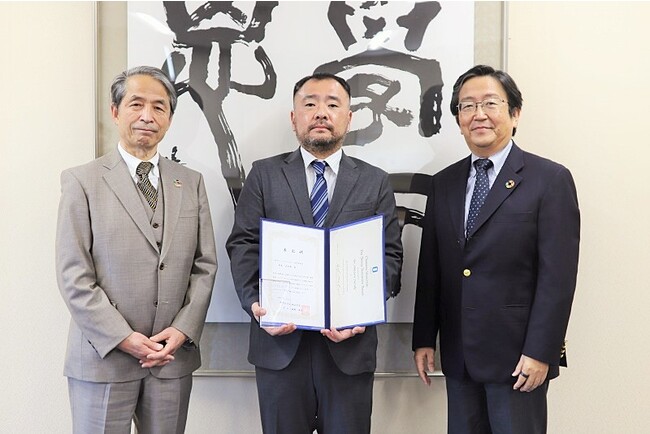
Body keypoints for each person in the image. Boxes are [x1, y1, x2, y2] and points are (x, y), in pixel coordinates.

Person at [226, 72, 403, 434]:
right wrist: (255, 303)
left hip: (349, 349)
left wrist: (362, 310)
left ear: (348, 118)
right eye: (310, 104)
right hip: (280, 347)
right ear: (294, 118)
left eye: (332, 104)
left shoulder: (375, 180)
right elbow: (243, 244)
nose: (321, 112)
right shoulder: (263, 174)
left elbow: (390, 255)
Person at [412, 65, 580, 434]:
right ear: (458, 119)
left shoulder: (549, 179)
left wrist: (541, 351)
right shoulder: (443, 183)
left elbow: (558, 279)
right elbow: (431, 268)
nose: (479, 114)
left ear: (514, 113)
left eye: (491, 103)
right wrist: (424, 338)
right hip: (459, 355)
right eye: (467, 106)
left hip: (519, 359)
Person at [55, 66, 218, 434]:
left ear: (170, 118)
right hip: (103, 357)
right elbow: (73, 274)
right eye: (136, 104)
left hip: (170, 359)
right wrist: (122, 337)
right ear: (115, 112)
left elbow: (205, 265)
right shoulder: (82, 181)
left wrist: (182, 330)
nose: (148, 116)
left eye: (159, 107)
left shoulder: (190, 182)